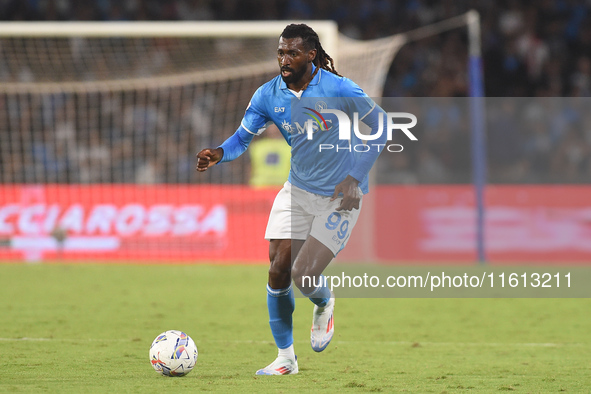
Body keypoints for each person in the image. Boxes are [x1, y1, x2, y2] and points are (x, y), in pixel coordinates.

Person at [197, 23, 386, 375]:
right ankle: (286, 359)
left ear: (311, 54)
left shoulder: (338, 87)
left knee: (303, 274)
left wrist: (354, 177)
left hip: (339, 196)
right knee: (276, 269)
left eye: (292, 52)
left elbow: (383, 125)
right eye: (281, 52)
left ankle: (325, 302)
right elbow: (242, 138)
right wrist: (220, 153)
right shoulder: (267, 95)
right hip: (297, 191)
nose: (284, 59)